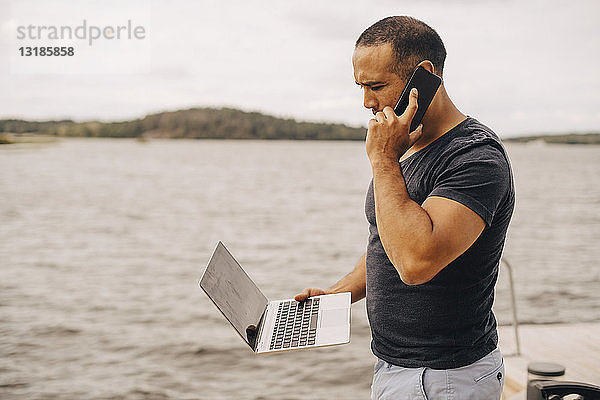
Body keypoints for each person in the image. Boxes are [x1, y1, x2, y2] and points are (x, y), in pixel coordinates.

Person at [295, 16, 515, 400]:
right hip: (396, 367)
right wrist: (338, 295)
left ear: (424, 76)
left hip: (444, 377)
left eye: (376, 86)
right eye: (360, 86)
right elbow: (387, 239)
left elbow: (415, 262)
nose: (366, 101)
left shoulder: (475, 158)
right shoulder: (405, 147)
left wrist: (382, 159)